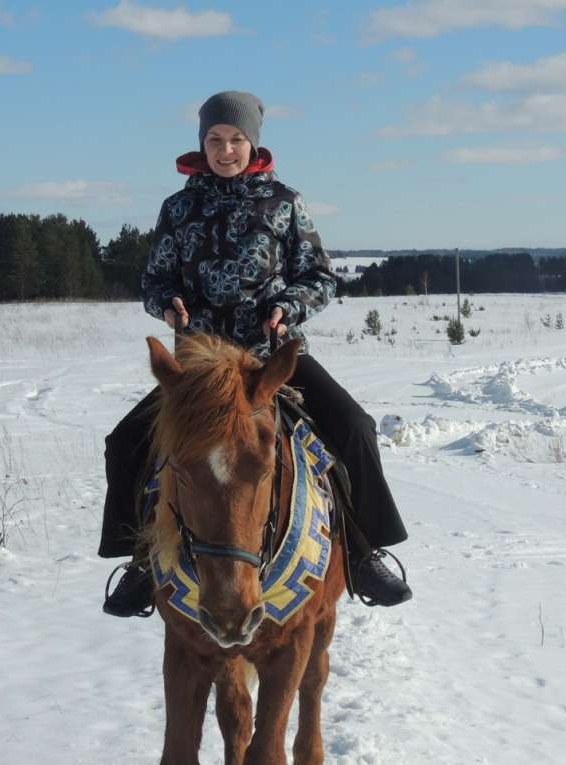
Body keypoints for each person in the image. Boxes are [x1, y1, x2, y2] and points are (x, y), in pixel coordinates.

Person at [100, 90, 412, 617]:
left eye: (236, 140)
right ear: (202, 144)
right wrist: (167, 302)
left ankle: (362, 552)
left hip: (269, 359)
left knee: (355, 427)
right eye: (216, 140)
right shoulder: (178, 208)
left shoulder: (285, 202)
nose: (226, 150)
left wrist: (288, 307)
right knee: (124, 443)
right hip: (200, 370)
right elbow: (154, 279)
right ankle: (139, 559)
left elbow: (320, 277)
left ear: (254, 143)